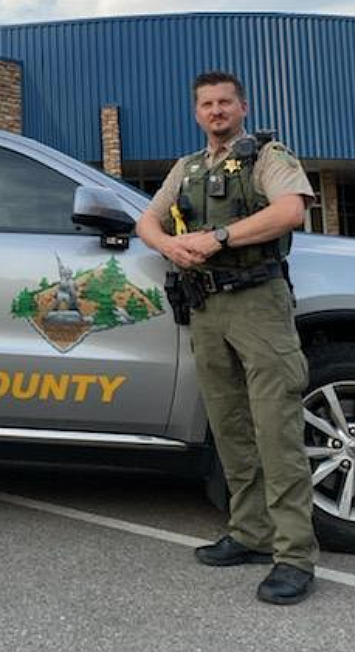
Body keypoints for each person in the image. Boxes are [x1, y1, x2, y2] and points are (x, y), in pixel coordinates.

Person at [136, 71, 318, 605]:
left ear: (243, 106)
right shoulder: (187, 168)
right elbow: (148, 220)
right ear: (196, 113)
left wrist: (217, 237)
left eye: (225, 103)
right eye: (207, 104)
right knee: (230, 425)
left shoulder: (267, 156)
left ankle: (294, 557)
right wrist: (170, 248)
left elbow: (290, 210)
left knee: (276, 428)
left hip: (258, 305)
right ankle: (250, 533)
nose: (216, 111)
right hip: (208, 308)